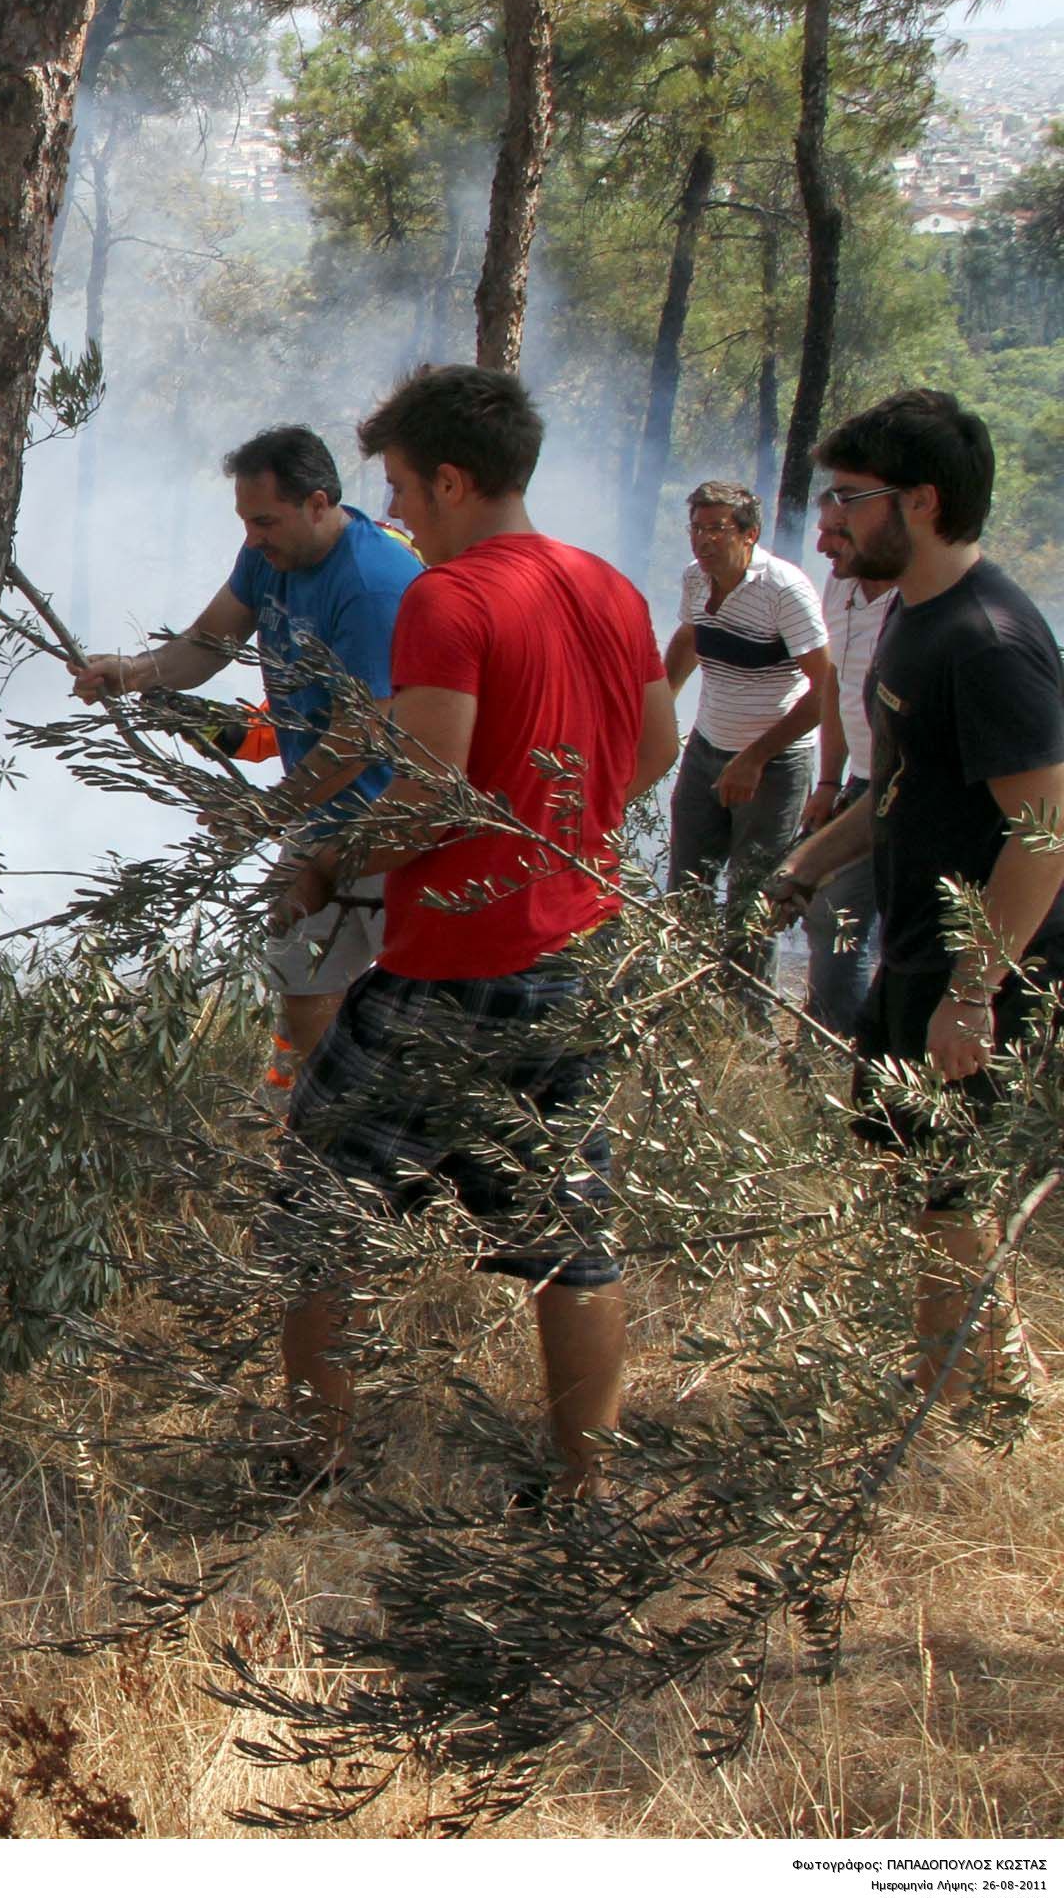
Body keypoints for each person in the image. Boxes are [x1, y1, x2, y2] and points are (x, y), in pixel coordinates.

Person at [269, 366, 680, 1500]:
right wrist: (566, 823)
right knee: (570, 1239)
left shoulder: (447, 598)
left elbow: (429, 792)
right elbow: (654, 755)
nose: (391, 513)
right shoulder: (606, 586)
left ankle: (313, 1466)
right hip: (578, 954)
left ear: (449, 479)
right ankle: (583, 1488)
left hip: (456, 964)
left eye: (398, 487)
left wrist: (321, 862)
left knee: (314, 1205)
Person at [760, 390, 1064, 1401]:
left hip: (985, 969)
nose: (828, 522)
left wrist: (974, 991)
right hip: (918, 951)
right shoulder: (908, 620)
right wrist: (801, 870)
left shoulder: (986, 642)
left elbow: (1045, 832)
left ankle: (944, 1414)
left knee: (946, 1192)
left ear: (919, 502)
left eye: (847, 498)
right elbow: (893, 794)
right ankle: (1001, 1380)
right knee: (916, 1178)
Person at [74, 425, 423, 1095]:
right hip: (317, 814)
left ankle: (380, 1138)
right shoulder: (269, 557)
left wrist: (268, 813)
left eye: (264, 520)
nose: (252, 536)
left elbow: (364, 735)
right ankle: (324, 1122)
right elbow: (209, 642)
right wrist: (135, 672)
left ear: (318, 503)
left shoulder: (373, 584)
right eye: (245, 521)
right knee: (301, 971)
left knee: (402, 992)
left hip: (394, 822)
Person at [660, 481, 832, 997]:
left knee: (751, 901)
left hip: (773, 766)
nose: (703, 541)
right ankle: (676, 1007)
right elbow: (690, 639)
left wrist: (756, 757)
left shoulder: (785, 590)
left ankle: (742, 1024)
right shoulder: (696, 579)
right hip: (707, 748)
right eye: (696, 528)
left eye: (716, 529)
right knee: (686, 888)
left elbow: (826, 693)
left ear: (750, 534)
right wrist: (656, 707)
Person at [802, 494, 899, 1038]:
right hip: (862, 781)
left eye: (837, 533)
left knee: (846, 914)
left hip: (903, 786)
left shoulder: (911, 600)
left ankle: (841, 1047)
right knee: (835, 913)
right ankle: (832, 1043)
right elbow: (835, 684)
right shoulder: (840, 584)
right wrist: (828, 779)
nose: (822, 545)